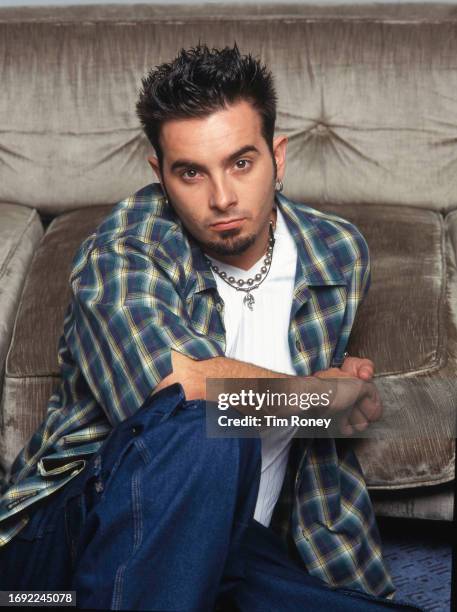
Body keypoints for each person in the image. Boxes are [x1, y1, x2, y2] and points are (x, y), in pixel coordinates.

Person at [0, 44, 422, 611]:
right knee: (204, 429)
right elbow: (184, 388)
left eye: (241, 163)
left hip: (228, 549)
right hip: (61, 548)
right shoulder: (123, 246)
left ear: (278, 156)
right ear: (160, 174)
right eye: (191, 172)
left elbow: (310, 447)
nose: (221, 197)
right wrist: (320, 397)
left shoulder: (337, 253)